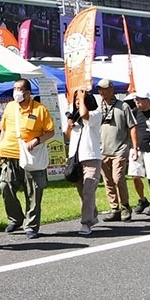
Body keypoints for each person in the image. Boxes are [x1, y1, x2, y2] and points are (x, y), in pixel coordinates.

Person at [0, 78, 55, 239]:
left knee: (34, 192)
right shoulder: (10, 107)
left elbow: (50, 132)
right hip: (10, 154)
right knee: (5, 186)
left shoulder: (39, 109)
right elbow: (3, 129)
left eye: (19, 89)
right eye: (14, 88)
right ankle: (15, 219)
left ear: (28, 92)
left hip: (31, 157)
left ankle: (31, 226)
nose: (16, 92)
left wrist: (36, 141)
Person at [95, 79, 138, 221]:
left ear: (112, 89)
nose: (101, 92)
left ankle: (125, 206)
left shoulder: (123, 106)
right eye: (100, 89)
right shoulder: (98, 108)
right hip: (102, 149)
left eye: (104, 89)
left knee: (118, 178)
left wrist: (135, 147)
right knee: (108, 180)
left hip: (120, 148)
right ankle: (114, 208)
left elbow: (132, 126)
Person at [64, 89, 103, 236]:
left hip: (91, 157)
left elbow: (85, 115)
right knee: (82, 192)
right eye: (76, 102)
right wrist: (69, 125)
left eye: (80, 101)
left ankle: (86, 223)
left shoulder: (95, 114)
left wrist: (81, 96)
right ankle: (93, 215)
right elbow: (68, 136)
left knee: (88, 191)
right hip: (75, 159)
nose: (77, 103)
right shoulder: (74, 118)